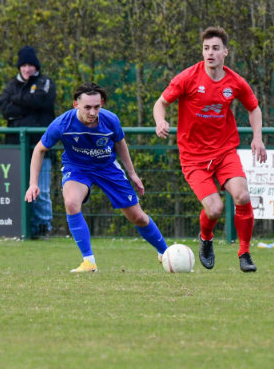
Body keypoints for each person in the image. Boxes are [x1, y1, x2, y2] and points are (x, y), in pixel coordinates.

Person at [153, 26, 267, 273]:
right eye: (206, 48)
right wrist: (160, 121)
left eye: (215, 48)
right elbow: (160, 103)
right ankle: (206, 238)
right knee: (214, 209)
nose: (210, 53)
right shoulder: (187, 78)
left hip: (224, 151)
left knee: (242, 196)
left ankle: (244, 253)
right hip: (193, 157)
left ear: (225, 52)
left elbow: (254, 108)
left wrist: (257, 138)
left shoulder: (234, 82)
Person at [26, 83, 168, 272]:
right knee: (71, 203)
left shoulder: (110, 120)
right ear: (76, 104)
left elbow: (120, 144)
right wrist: (33, 184)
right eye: (87, 107)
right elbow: (39, 149)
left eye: (97, 107)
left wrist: (132, 174)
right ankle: (89, 261)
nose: (92, 112)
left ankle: (166, 253)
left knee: (138, 217)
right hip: (77, 168)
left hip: (107, 167)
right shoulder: (62, 123)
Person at [0, 46, 56, 239]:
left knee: (42, 191)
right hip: (16, 149)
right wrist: (29, 105)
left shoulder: (45, 82)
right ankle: (22, 228)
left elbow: (42, 101)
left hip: (41, 148)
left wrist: (17, 102)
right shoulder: (10, 85)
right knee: (18, 189)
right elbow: (5, 109)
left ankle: (43, 227)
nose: (27, 69)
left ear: (36, 66)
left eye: (30, 65)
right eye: (23, 65)